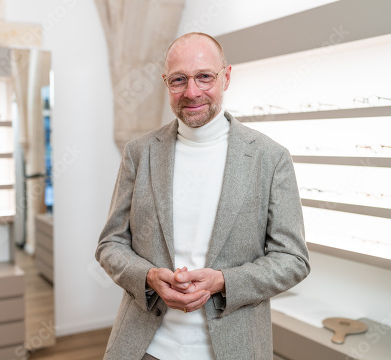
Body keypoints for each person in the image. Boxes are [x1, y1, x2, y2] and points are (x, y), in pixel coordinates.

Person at [96, 32, 310, 360]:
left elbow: (293, 259)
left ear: (226, 77)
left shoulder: (270, 157)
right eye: (179, 80)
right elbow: (110, 245)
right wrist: (150, 276)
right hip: (145, 348)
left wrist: (223, 281)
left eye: (204, 77)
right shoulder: (139, 153)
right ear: (166, 82)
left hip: (234, 348)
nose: (192, 92)